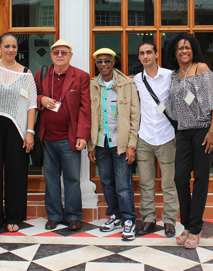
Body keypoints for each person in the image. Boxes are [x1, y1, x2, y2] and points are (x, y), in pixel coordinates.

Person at [164, 33, 213, 250]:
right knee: (179, 178)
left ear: (193, 49)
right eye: (180, 48)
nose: (184, 51)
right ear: (175, 51)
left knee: (200, 180)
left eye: (187, 47)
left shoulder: (202, 69)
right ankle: (187, 225)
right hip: (183, 132)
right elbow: (172, 104)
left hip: (202, 130)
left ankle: (195, 229)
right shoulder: (174, 75)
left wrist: (212, 131)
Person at [0, 33, 37, 233]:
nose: (11, 50)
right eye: (7, 46)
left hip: (18, 128)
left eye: (14, 46)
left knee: (16, 172)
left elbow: (32, 104)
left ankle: (14, 217)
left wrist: (29, 132)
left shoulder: (26, 73)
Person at [34, 39, 91, 231]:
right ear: (51, 55)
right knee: (50, 179)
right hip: (47, 138)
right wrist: (41, 99)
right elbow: (30, 97)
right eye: (56, 52)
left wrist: (82, 135)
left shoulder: (81, 76)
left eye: (64, 52)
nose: (60, 55)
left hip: (70, 138)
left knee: (72, 179)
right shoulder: (41, 75)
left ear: (70, 56)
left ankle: (74, 216)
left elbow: (85, 108)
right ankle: (54, 215)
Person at [88, 48, 140, 241]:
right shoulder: (93, 85)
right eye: (99, 62)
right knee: (107, 182)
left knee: (123, 185)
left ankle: (129, 219)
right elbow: (90, 116)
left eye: (107, 61)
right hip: (101, 142)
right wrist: (91, 145)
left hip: (120, 143)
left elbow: (135, 117)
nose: (103, 65)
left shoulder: (127, 84)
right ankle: (115, 216)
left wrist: (131, 145)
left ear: (113, 62)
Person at [133, 42, 178, 238]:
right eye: (142, 53)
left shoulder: (170, 76)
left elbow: (186, 97)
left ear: (156, 54)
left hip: (167, 135)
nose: (145, 56)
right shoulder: (137, 79)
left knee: (169, 183)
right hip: (144, 137)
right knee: (146, 182)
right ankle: (149, 219)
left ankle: (169, 221)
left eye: (149, 52)